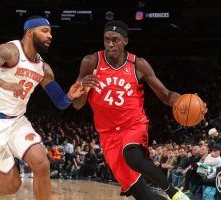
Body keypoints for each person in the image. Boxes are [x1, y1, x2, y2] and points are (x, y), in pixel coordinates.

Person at [0, 16, 83, 200]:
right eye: (44, 31)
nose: (50, 36)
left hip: (17, 121)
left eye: (51, 32)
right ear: (30, 32)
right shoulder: (10, 51)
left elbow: (60, 102)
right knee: (13, 185)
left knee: (42, 163)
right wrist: (4, 84)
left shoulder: (44, 69)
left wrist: (70, 96)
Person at [73, 20, 191, 199]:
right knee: (143, 195)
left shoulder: (138, 64)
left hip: (133, 125)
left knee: (133, 158)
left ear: (125, 41)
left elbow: (166, 96)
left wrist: (186, 101)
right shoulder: (91, 62)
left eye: (115, 40)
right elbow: (77, 104)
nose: (110, 44)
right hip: (107, 134)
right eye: (106, 40)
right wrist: (83, 89)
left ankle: (174, 193)